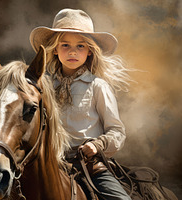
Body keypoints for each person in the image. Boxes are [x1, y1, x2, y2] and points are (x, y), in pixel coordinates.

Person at [29, 8, 132, 200]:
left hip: (89, 165)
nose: (72, 52)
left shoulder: (98, 86)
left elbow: (117, 132)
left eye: (80, 46)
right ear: (55, 49)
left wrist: (97, 145)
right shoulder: (45, 87)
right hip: (50, 164)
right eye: (65, 45)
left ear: (90, 51)